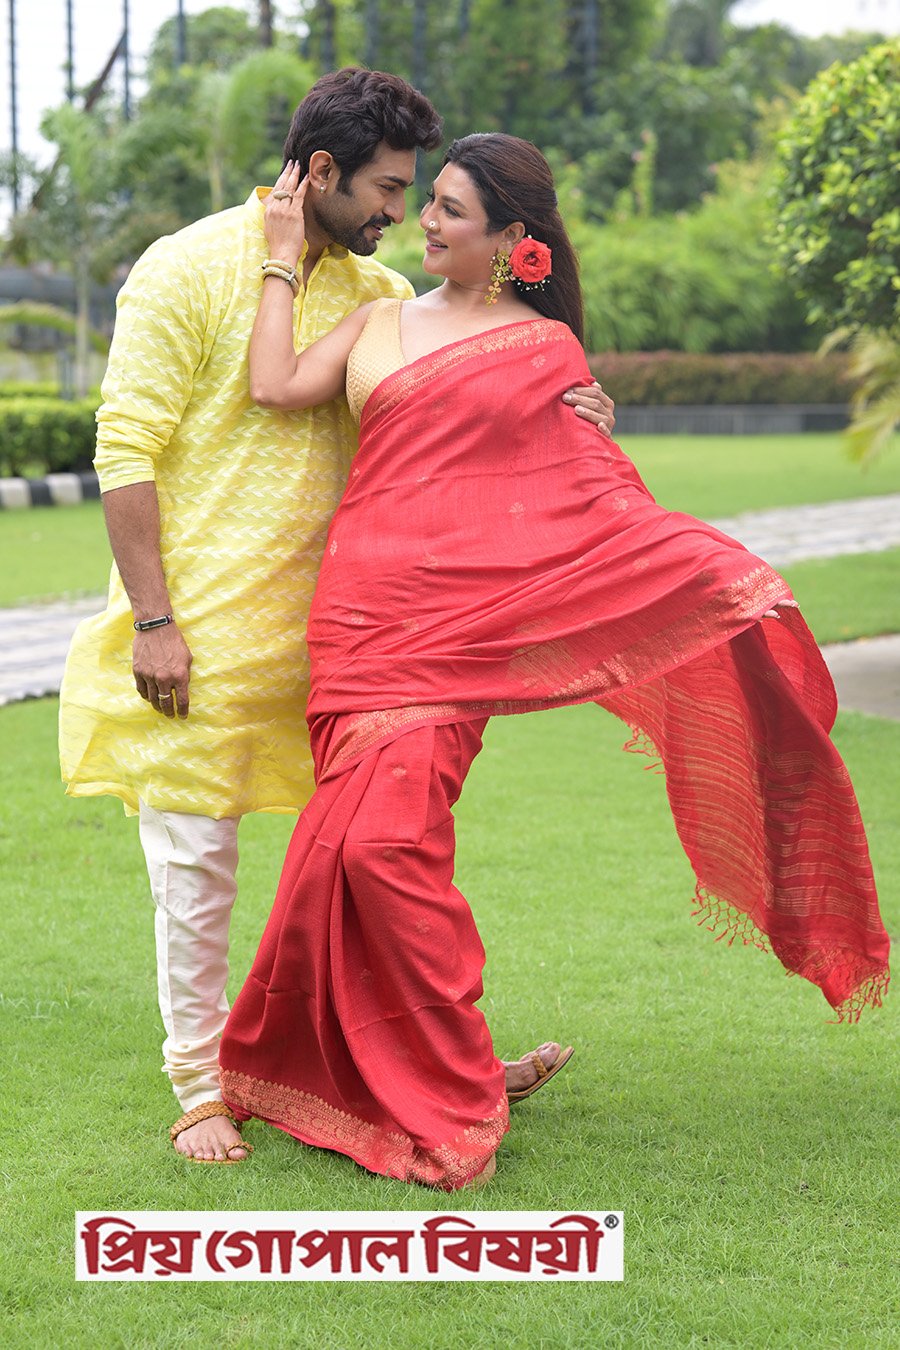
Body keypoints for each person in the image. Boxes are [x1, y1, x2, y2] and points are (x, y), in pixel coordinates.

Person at [218, 134, 889, 1190]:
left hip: (462, 634)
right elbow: (272, 384)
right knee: (343, 853)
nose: (425, 221)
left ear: (509, 239)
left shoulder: (544, 349)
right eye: (428, 201)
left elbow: (589, 499)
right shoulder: (380, 319)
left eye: (450, 210)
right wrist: (277, 253)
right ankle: (445, 1072)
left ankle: (447, 1078)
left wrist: (719, 579)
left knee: (381, 849)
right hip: (358, 619)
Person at [58, 70, 614, 1165]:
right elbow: (125, 450)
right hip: (205, 634)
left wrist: (576, 419)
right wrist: (155, 621)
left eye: (419, 194)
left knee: (386, 865)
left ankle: (438, 1064)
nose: (401, 211)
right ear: (321, 171)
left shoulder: (382, 291)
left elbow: (452, 446)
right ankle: (201, 1085)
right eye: (389, 188)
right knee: (196, 869)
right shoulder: (184, 267)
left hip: (357, 643)